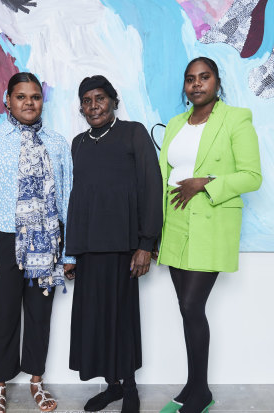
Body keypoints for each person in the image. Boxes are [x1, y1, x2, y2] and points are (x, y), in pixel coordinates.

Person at [0, 72, 76, 413]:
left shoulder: (57, 143)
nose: (29, 102)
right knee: (5, 315)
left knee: (40, 314)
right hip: (5, 241)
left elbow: (69, 198)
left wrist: (70, 250)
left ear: (42, 101)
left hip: (47, 240)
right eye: (21, 96)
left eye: (35, 97)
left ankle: (37, 382)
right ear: (7, 100)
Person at [156, 57, 262, 413]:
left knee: (191, 305)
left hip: (211, 222)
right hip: (175, 224)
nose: (196, 84)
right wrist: (153, 229)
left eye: (204, 77)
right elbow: (162, 176)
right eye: (190, 79)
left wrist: (205, 183)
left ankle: (201, 393)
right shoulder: (175, 124)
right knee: (186, 311)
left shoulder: (236, 119)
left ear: (217, 82)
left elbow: (252, 176)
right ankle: (193, 387)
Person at [65, 75, 162, 413]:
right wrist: (70, 253)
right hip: (89, 248)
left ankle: (130, 388)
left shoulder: (133, 133)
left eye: (100, 98)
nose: (94, 106)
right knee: (95, 320)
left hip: (124, 247)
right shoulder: (77, 143)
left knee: (122, 321)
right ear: (81, 107)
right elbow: (74, 200)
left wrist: (146, 244)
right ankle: (112, 386)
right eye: (87, 101)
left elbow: (152, 186)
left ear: (113, 100)